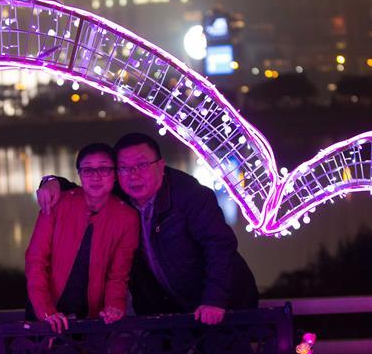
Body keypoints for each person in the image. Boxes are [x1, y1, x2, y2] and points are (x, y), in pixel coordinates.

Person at [37, 133, 258, 324]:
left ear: (161, 166)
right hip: (165, 310)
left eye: (142, 165)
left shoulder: (189, 194)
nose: (133, 175)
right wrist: (52, 181)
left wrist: (214, 300)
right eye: (124, 168)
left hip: (222, 305)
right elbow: (87, 189)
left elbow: (219, 246)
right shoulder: (120, 195)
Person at [26, 143, 139, 333]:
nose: (95, 177)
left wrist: (114, 305)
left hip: (94, 319)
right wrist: (45, 310)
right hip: (46, 315)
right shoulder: (57, 204)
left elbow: (118, 274)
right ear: (79, 174)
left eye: (103, 169)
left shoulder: (127, 217)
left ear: (115, 174)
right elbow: (35, 260)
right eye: (87, 170)